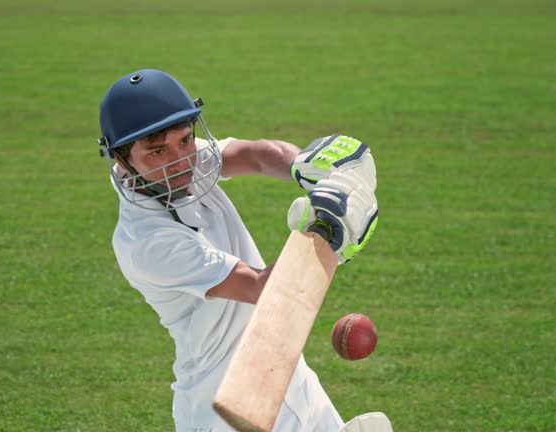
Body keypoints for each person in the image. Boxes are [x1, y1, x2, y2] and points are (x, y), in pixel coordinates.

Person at [97, 69, 380, 431]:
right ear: (123, 160)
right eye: (158, 152)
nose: (181, 159)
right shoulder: (146, 242)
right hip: (229, 404)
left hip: (284, 370)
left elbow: (258, 154)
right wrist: (327, 227)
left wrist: (306, 169)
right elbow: (263, 289)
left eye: (185, 141)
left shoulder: (177, 160)